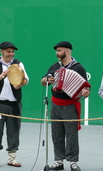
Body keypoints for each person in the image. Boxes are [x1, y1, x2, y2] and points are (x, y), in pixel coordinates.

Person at [40, 41, 90, 171]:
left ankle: (73, 162)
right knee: (56, 134)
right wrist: (46, 80)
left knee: (71, 135)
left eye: (59, 50)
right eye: (56, 51)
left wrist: (85, 92)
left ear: (67, 51)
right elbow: (43, 81)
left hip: (70, 105)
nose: (57, 53)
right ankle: (58, 161)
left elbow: (86, 89)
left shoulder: (79, 68)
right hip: (55, 104)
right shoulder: (54, 66)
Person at [0, 41, 29, 167]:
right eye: (8, 52)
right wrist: (2, 75)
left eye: (12, 52)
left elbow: (26, 79)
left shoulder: (18, 63)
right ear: (2, 52)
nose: (11, 54)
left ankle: (12, 159)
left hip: (14, 104)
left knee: (14, 131)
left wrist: (20, 84)